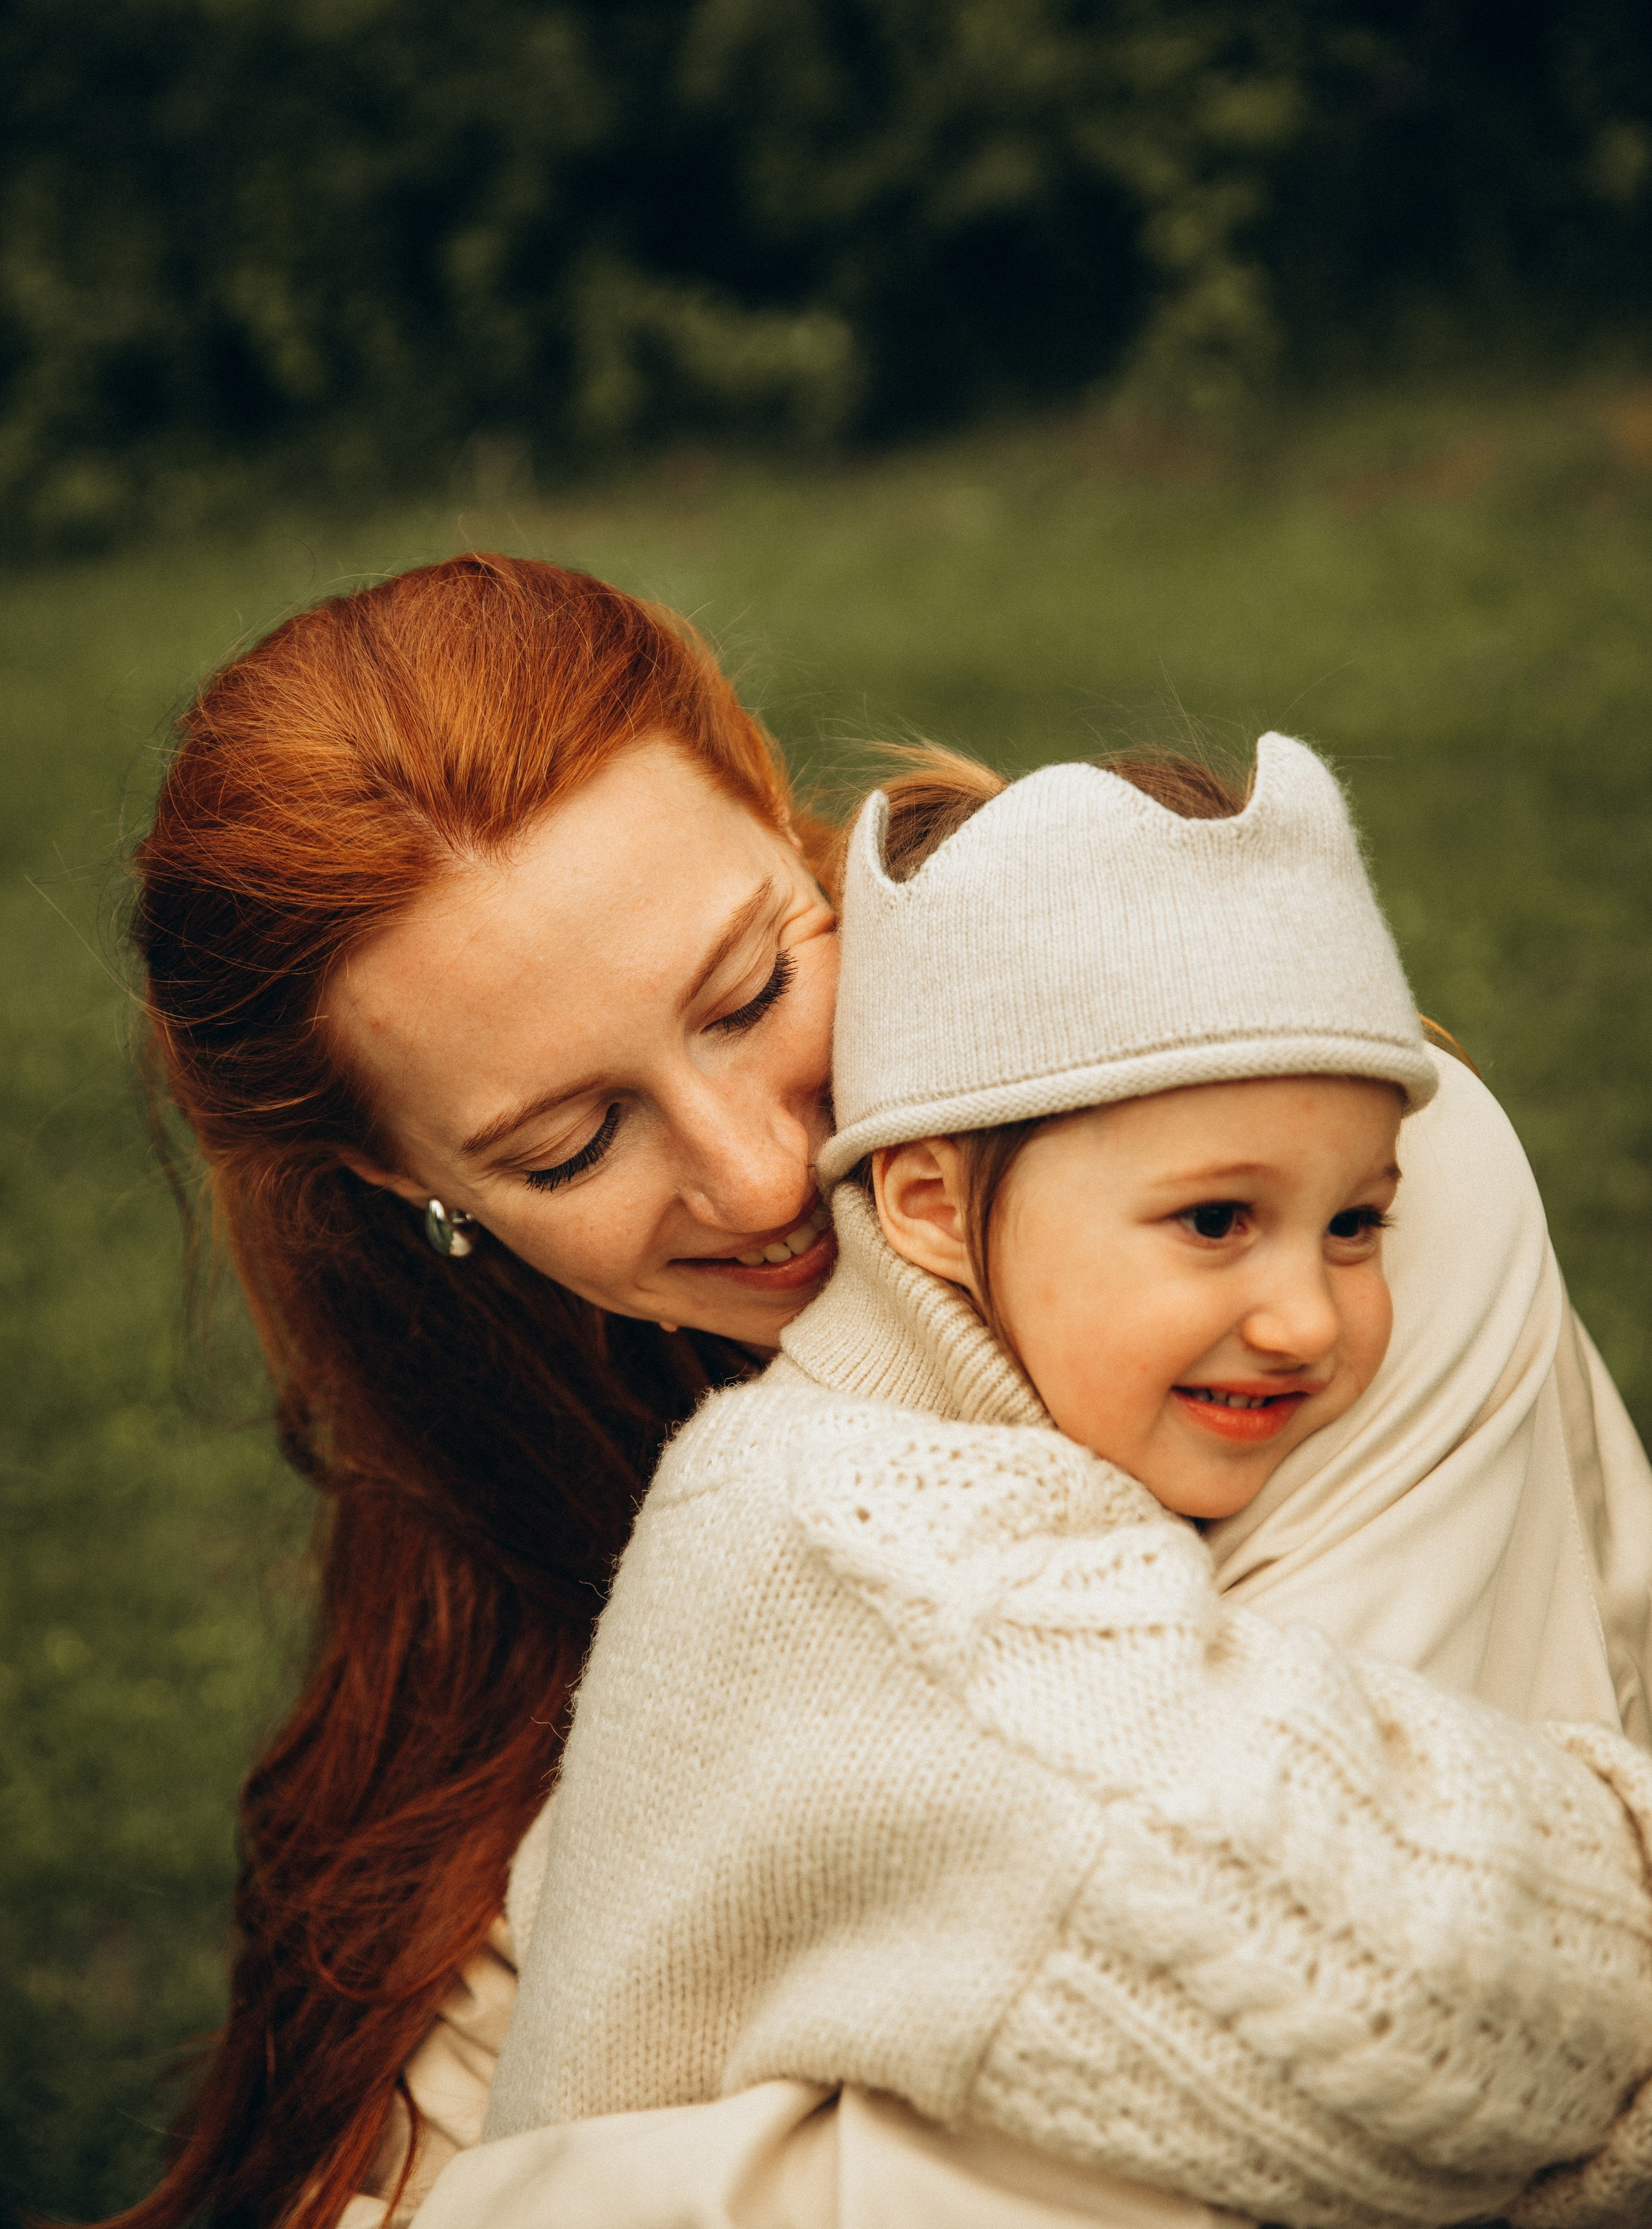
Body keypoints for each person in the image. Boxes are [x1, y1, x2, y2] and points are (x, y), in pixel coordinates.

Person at [106, 556, 1652, 2229]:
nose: (763, 1174)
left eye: (755, 990)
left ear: (790, 825)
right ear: (416, 1184)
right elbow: (430, 2100)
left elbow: (1378, 2082)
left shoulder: (1329, 1202)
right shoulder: (526, 1415)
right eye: (569, 1145)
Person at [474, 738, 1652, 2228]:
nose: (1309, 1312)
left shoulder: (871, 1460)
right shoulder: (877, 1541)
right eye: (1216, 1218)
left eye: (1354, 1222)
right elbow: (1404, 1992)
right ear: (928, 1208)